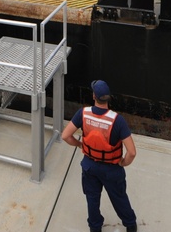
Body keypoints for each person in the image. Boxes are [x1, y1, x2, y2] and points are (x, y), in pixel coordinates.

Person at [61, 80, 138, 232]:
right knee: (119, 197)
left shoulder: (83, 113)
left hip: (90, 166)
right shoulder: (117, 120)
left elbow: (65, 136)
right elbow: (132, 152)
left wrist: (80, 145)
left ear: (94, 96)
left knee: (92, 198)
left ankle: (95, 228)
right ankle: (130, 224)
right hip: (112, 169)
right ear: (108, 98)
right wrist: (123, 163)